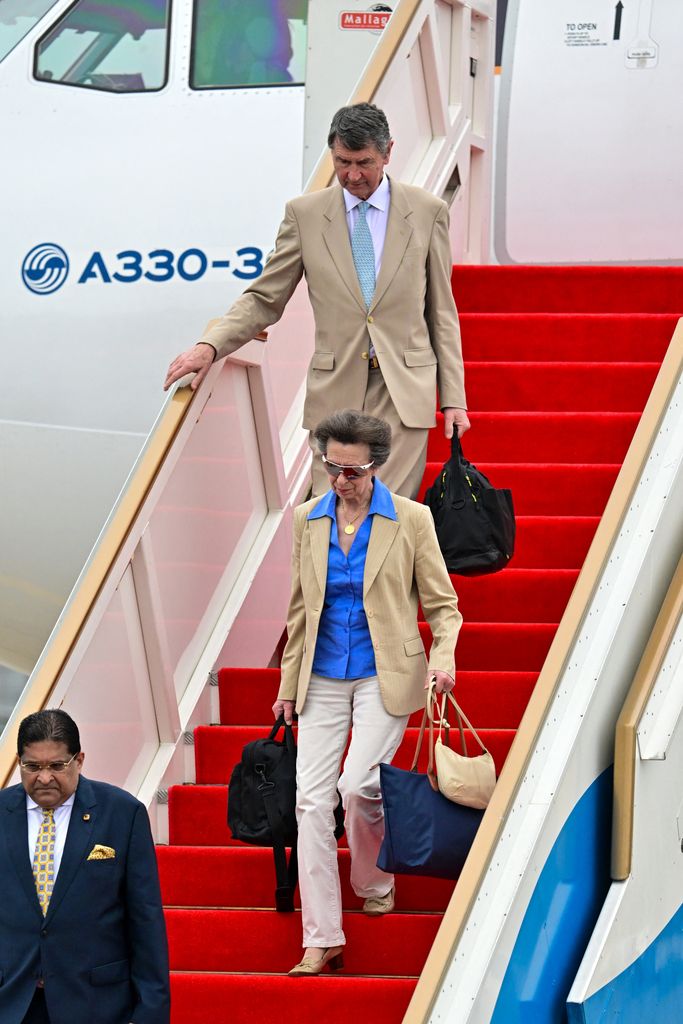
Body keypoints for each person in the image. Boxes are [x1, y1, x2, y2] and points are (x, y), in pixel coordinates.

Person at [164, 102, 470, 498]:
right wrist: (211, 345)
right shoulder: (304, 215)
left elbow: (441, 313)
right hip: (335, 386)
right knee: (330, 514)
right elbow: (264, 298)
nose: (353, 175)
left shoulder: (428, 212)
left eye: (365, 163)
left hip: (404, 389)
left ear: (388, 152)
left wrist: (454, 400)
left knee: (388, 516)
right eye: (343, 162)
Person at [272, 409, 462, 975]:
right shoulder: (307, 519)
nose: (341, 480)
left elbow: (443, 607)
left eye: (352, 471)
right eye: (333, 467)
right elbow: (300, 609)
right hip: (322, 674)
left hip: (386, 674)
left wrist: (443, 660)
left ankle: (373, 878)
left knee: (358, 786)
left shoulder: (411, 518)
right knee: (310, 803)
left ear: (376, 466)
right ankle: (322, 934)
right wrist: (287, 684)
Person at [0, 709, 170, 1024]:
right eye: (32, 766)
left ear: (79, 760)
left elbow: (145, 921)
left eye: (56, 765)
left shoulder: (122, 813)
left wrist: (150, 1013)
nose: (44, 777)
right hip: (13, 1003)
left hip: (95, 1004)